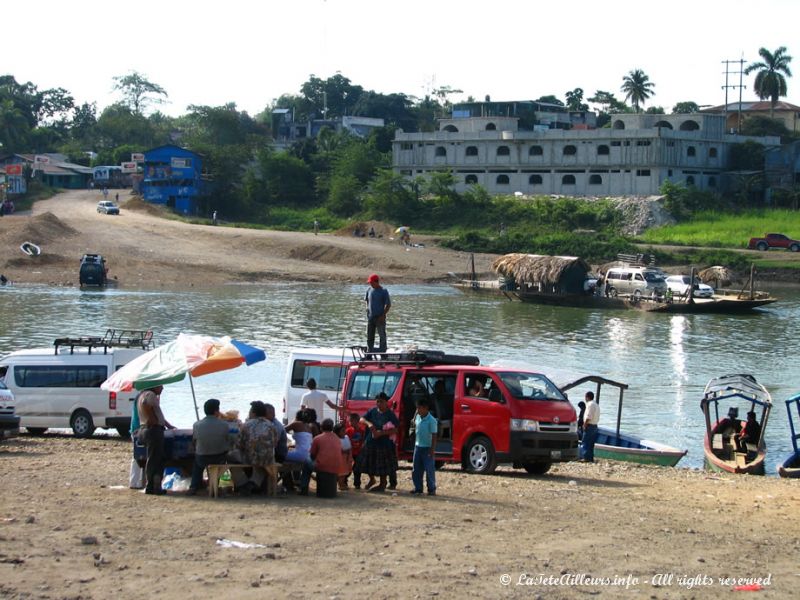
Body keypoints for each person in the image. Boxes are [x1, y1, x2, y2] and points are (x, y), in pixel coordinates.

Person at [188, 399, 237, 495]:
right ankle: (215, 485)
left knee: (197, 464)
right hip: (219, 458)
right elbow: (228, 441)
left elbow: (194, 441)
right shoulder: (224, 425)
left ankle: (194, 486)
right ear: (216, 411)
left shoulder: (197, 424)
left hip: (202, 458)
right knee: (225, 455)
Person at [137, 385, 175, 495]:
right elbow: (145, 404)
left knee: (159, 458)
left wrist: (168, 425)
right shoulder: (150, 394)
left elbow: (158, 414)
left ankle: (155, 485)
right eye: (161, 386)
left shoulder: (143, 394)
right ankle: (151, 486)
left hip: (147, 429)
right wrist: (152, 419)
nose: (162, 388)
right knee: (154, 459)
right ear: (155, 386)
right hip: (153, 430)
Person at [360, 392, 399, 493]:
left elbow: (396, 429)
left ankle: (383, 483)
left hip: (384, 444)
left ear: (386, 402)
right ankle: (372, 479)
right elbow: (361, 419)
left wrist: (381, 433)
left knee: (384, 466)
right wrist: (369, 424)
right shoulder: (372, 411)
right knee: (368, 463)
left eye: (381, 402)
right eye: (377, 401)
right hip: (371, 442)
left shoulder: (390, 414)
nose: (379, 404)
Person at [235, 401, 277, 494]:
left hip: (250, 458)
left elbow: (239, 444)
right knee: (261, 461)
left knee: (230, 457)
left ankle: (242, 483)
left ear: (253, 413)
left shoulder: (246, 425)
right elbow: (275, 443)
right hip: (268, 458)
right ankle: (253, 483)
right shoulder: (271, 425)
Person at [299, 418, 344, 495]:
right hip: (337, 467)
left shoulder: (317, 438)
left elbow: (312, 455)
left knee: (306, 461)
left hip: (322, 467)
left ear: (321, 427)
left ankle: (304, 488)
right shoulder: (337, 439)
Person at [410, 398, 438, 496]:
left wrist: (432, 450)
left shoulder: (432, 421)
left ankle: (431, 489)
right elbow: (414, 423)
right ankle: (418, 488)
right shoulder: (418, 416)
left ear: (425, 408)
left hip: (427, 448)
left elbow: (434, 436)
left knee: (429, 469)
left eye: (419, 408)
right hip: (418, 446)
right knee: (416, 469)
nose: (418, 410)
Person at [365, 274, 391, 353]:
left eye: (372, 282)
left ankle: (383, 354)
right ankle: (369, 354)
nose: (370, 284)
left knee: (382, 337)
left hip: (380, 318)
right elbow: (366, 300)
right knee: (369, 336)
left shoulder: (383, 291)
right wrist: (367, 308)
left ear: (376, 282)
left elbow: (388, 305)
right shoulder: (369, 290)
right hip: (370, 317)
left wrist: (383, 315)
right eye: (370, 283)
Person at [346, 412, 366, 489]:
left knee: (357, 469)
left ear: (357, 421)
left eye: (351, 421)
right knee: (347, 468)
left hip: (358, 452)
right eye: (349, 421)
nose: (349, 422)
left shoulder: (362, 431)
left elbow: (363, 441)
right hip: (350, 452)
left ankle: (357, 484)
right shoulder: (348, 431)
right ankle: (344, 482)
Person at [580, 391, 599, 463]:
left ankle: (586, 458)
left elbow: (589, 416)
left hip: (590, 426)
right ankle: (590, 458)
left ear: (587, 397)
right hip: (595, 426)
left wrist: (585, 424)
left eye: (585, 397)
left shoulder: (590, 404)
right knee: (591, 443)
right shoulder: (596, 404)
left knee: (585, 442)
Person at [334, 422, 353, 490]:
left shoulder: (346, 437)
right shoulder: (336, 439)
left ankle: (343, 484)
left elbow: (350, 447)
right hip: (340, 459)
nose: (344, 432)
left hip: (346, 459)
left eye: (344, 430)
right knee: (341, 473)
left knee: (345, 472)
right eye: (342, 431)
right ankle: (341, 485)